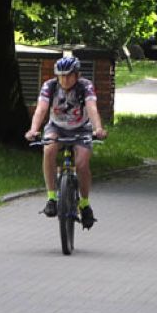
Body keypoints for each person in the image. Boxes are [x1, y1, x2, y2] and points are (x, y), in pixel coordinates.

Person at [25, 55, 107, 229]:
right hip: (56, 127)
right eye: (61, 75)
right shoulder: (50, 86)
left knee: (82, 163)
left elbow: (92, 108)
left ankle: (84, 204)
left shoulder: (85, 86)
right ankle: (52, 198)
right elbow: (41, 109)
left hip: (81, 128)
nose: (65, 79)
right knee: (48, 150)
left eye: (69, 75)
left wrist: (97, 128)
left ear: (77, 75)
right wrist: (33, 130)